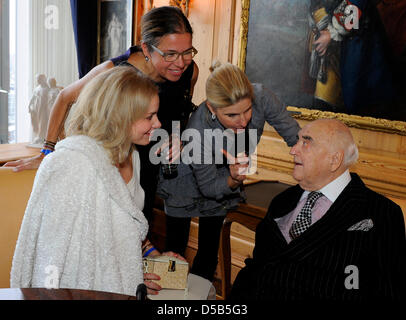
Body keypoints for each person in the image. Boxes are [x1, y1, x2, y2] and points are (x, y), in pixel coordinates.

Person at [4, 6, 199, 225]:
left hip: (163, 168)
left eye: (187, 52)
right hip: (120, 165)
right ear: (146, 48)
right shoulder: (113, 71)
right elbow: (64, 98)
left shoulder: (190, 72)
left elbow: (181, 113)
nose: (181, 63)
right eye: (170, 54)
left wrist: (180, 138)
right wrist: (46, 151)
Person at [11, 66, 184, 296]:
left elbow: (123, 231)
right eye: (149, 117)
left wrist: (152, 256)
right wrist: (127, 271)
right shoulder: (72, 165)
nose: (158, 124)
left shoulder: (131, 154)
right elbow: (57, 261)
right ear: (120, 117)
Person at [230, 119, 406, 300]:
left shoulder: (381, 213)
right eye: (297, 141)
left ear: (334, 159)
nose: (293, 150)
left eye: (306, 142)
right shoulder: (282, 201)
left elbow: (388, 292)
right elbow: (255, 269)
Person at [157, 61, 300, 281]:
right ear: (212, 109)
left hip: (224, 176)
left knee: (207, 256)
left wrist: (312, 160)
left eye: (247, 110)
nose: (243, 121)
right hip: (184, 182)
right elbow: (208, 186)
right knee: (174, 256)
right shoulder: (198, 128)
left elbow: (294, 135)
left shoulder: (261, 96)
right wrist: (233, 179)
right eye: (232, 115)